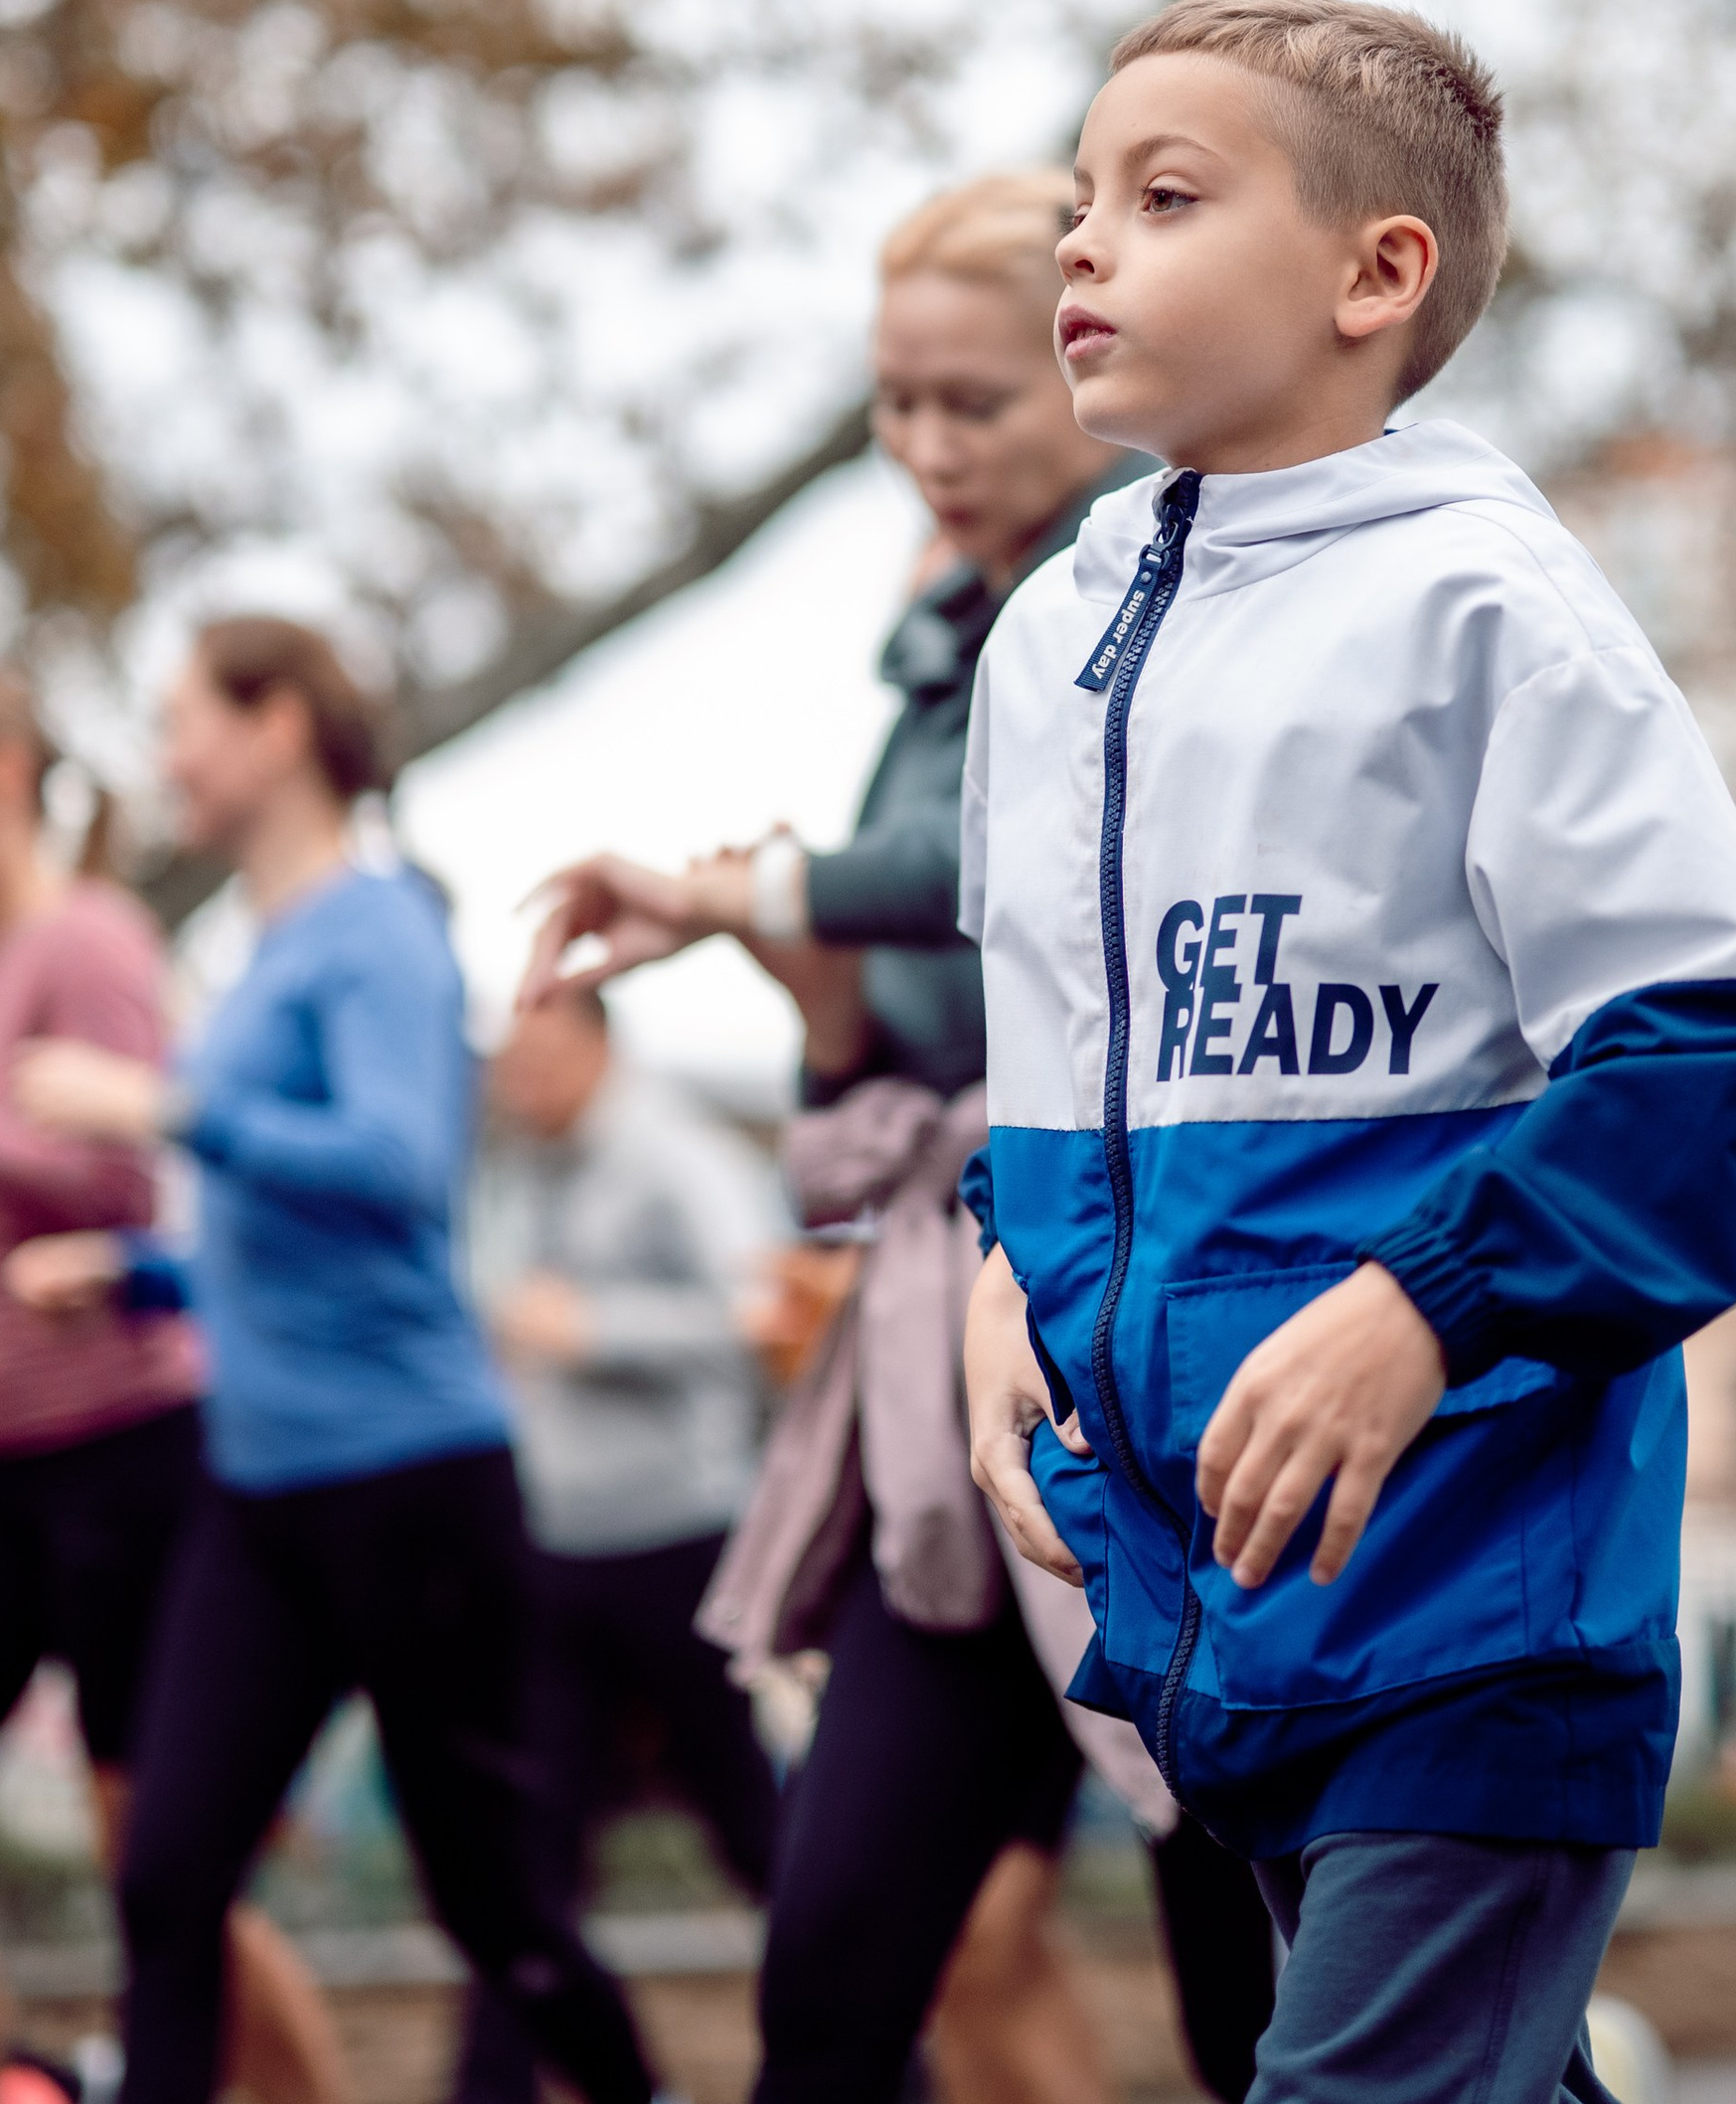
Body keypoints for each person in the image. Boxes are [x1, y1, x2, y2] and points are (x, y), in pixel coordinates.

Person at [956, 0, 1736, 2104]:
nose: (1082, 240)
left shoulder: (1491, 608)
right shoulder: (1045, 644)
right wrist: (999, 1270)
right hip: (1215, 1595)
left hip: (1477, 1603)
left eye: (1165, 196)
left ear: (1376, 273)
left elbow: (1712, 1067)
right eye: (1079, 197)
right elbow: (1061, 1084)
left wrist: (1423, 1304)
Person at [525, 172, 1279, 2104]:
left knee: (1259, 2002)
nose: (926, 445)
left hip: (1148, 1357)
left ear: (1086, 367)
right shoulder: (941, 643)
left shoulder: (1156, 596)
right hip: (955, 1389)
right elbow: (885, 1058)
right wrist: (814, 990)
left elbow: (994, 865)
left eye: (974, 400)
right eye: (895, 401)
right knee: (836, 1970)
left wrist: (741, 888)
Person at [2, 618, 654, 2104]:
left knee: (493, 1904)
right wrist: (139, 1273)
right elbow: (283, 1236)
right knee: (168, 1878)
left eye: (184, 721)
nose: (165, 757)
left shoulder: (380, 931)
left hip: (411, 1485)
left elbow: (395, 1168)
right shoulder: (268, 946)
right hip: (261, 1493)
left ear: (280, 726)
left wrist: (160, 1109)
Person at [0, 674, 340, 2104]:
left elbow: (120, 1181)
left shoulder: (90, 941)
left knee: (163, 1880)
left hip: (127, 1452)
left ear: (0, 771)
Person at [452, 988, 785, 2104]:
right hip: (555, 1555)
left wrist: (599, 1328)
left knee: (757, 1835)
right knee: (527, 1858)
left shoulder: (679, 1154)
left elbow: (765, 1316)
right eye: (509, 1062)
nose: (520, 1082)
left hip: (686, 1546)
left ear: (601, 1048)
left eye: (541, 1059)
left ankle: (874, 2067)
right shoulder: (510, 1169)